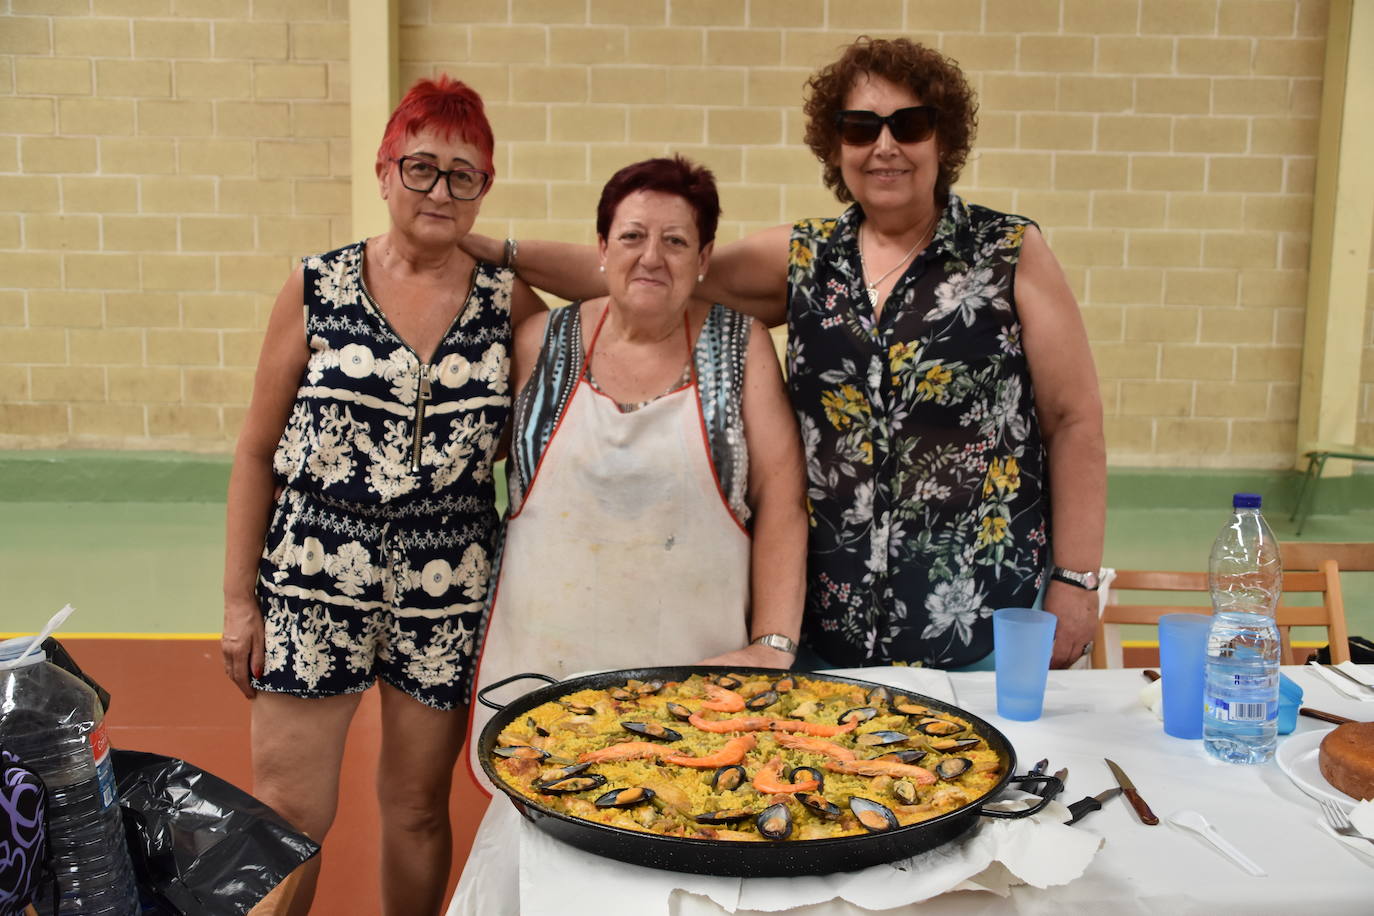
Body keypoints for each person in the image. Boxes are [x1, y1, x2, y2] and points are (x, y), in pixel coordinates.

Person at [458, 36, 1106, 672]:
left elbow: (1073, 420)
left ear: (944, 138)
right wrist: (496, 250)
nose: (885, 146)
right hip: (831, 630)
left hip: (982, 624)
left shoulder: (1010, 252)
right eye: (861, 127)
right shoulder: (805, 259)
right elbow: (646, 276)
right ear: (837, 146)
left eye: (908, 125)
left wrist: (1075, 581)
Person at [447, 156, 807, 915]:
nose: (652, 256)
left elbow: (782, 502)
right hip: (546, 682)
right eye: (633, 236)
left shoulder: (739, 349)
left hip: (692, 683)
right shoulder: (539, 342)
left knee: (682, 864)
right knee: (539, 879)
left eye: (677, 242)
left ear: (704, 259)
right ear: (601, 248)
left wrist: (773, 644)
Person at [220, 75, 543, 916]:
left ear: (485, 191)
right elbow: (257, 451)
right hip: (313, 572)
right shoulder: (317, 287)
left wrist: (513, 253)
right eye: (422, 167)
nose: (440, 190)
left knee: (414, 809)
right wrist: (236, 603)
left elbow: (601, 308)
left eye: (463, 174)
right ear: (384, 169)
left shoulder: (509, 301)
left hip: (448, 582)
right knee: (288, 814)